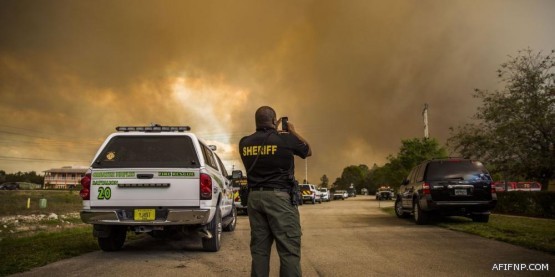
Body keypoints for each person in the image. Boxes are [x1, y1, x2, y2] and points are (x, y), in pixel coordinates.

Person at [239, 106, 311, 277]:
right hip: (279, 198)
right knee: (288, 249)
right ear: (274, 121)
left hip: (255, 199)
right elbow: (307, 151)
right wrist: (292, 132)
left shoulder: (244, 142)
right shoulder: (285, 139)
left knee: (259, 251)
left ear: (256, 122)